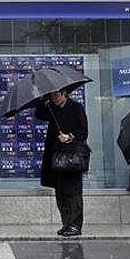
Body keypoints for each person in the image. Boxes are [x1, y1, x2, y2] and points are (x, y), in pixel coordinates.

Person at [34, 89, 88, 237]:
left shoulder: (76, 107)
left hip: (72, 157)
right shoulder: (51, 108)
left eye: (56, 95)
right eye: (51, 95)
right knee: (61, 192)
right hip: (56, 157)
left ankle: (76, 225)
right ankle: (66, 223)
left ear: (64, 93)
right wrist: (42, 99)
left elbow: (83, 131)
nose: (54, 98)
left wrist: (70, 136)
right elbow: (39, 114)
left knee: (73, 192)